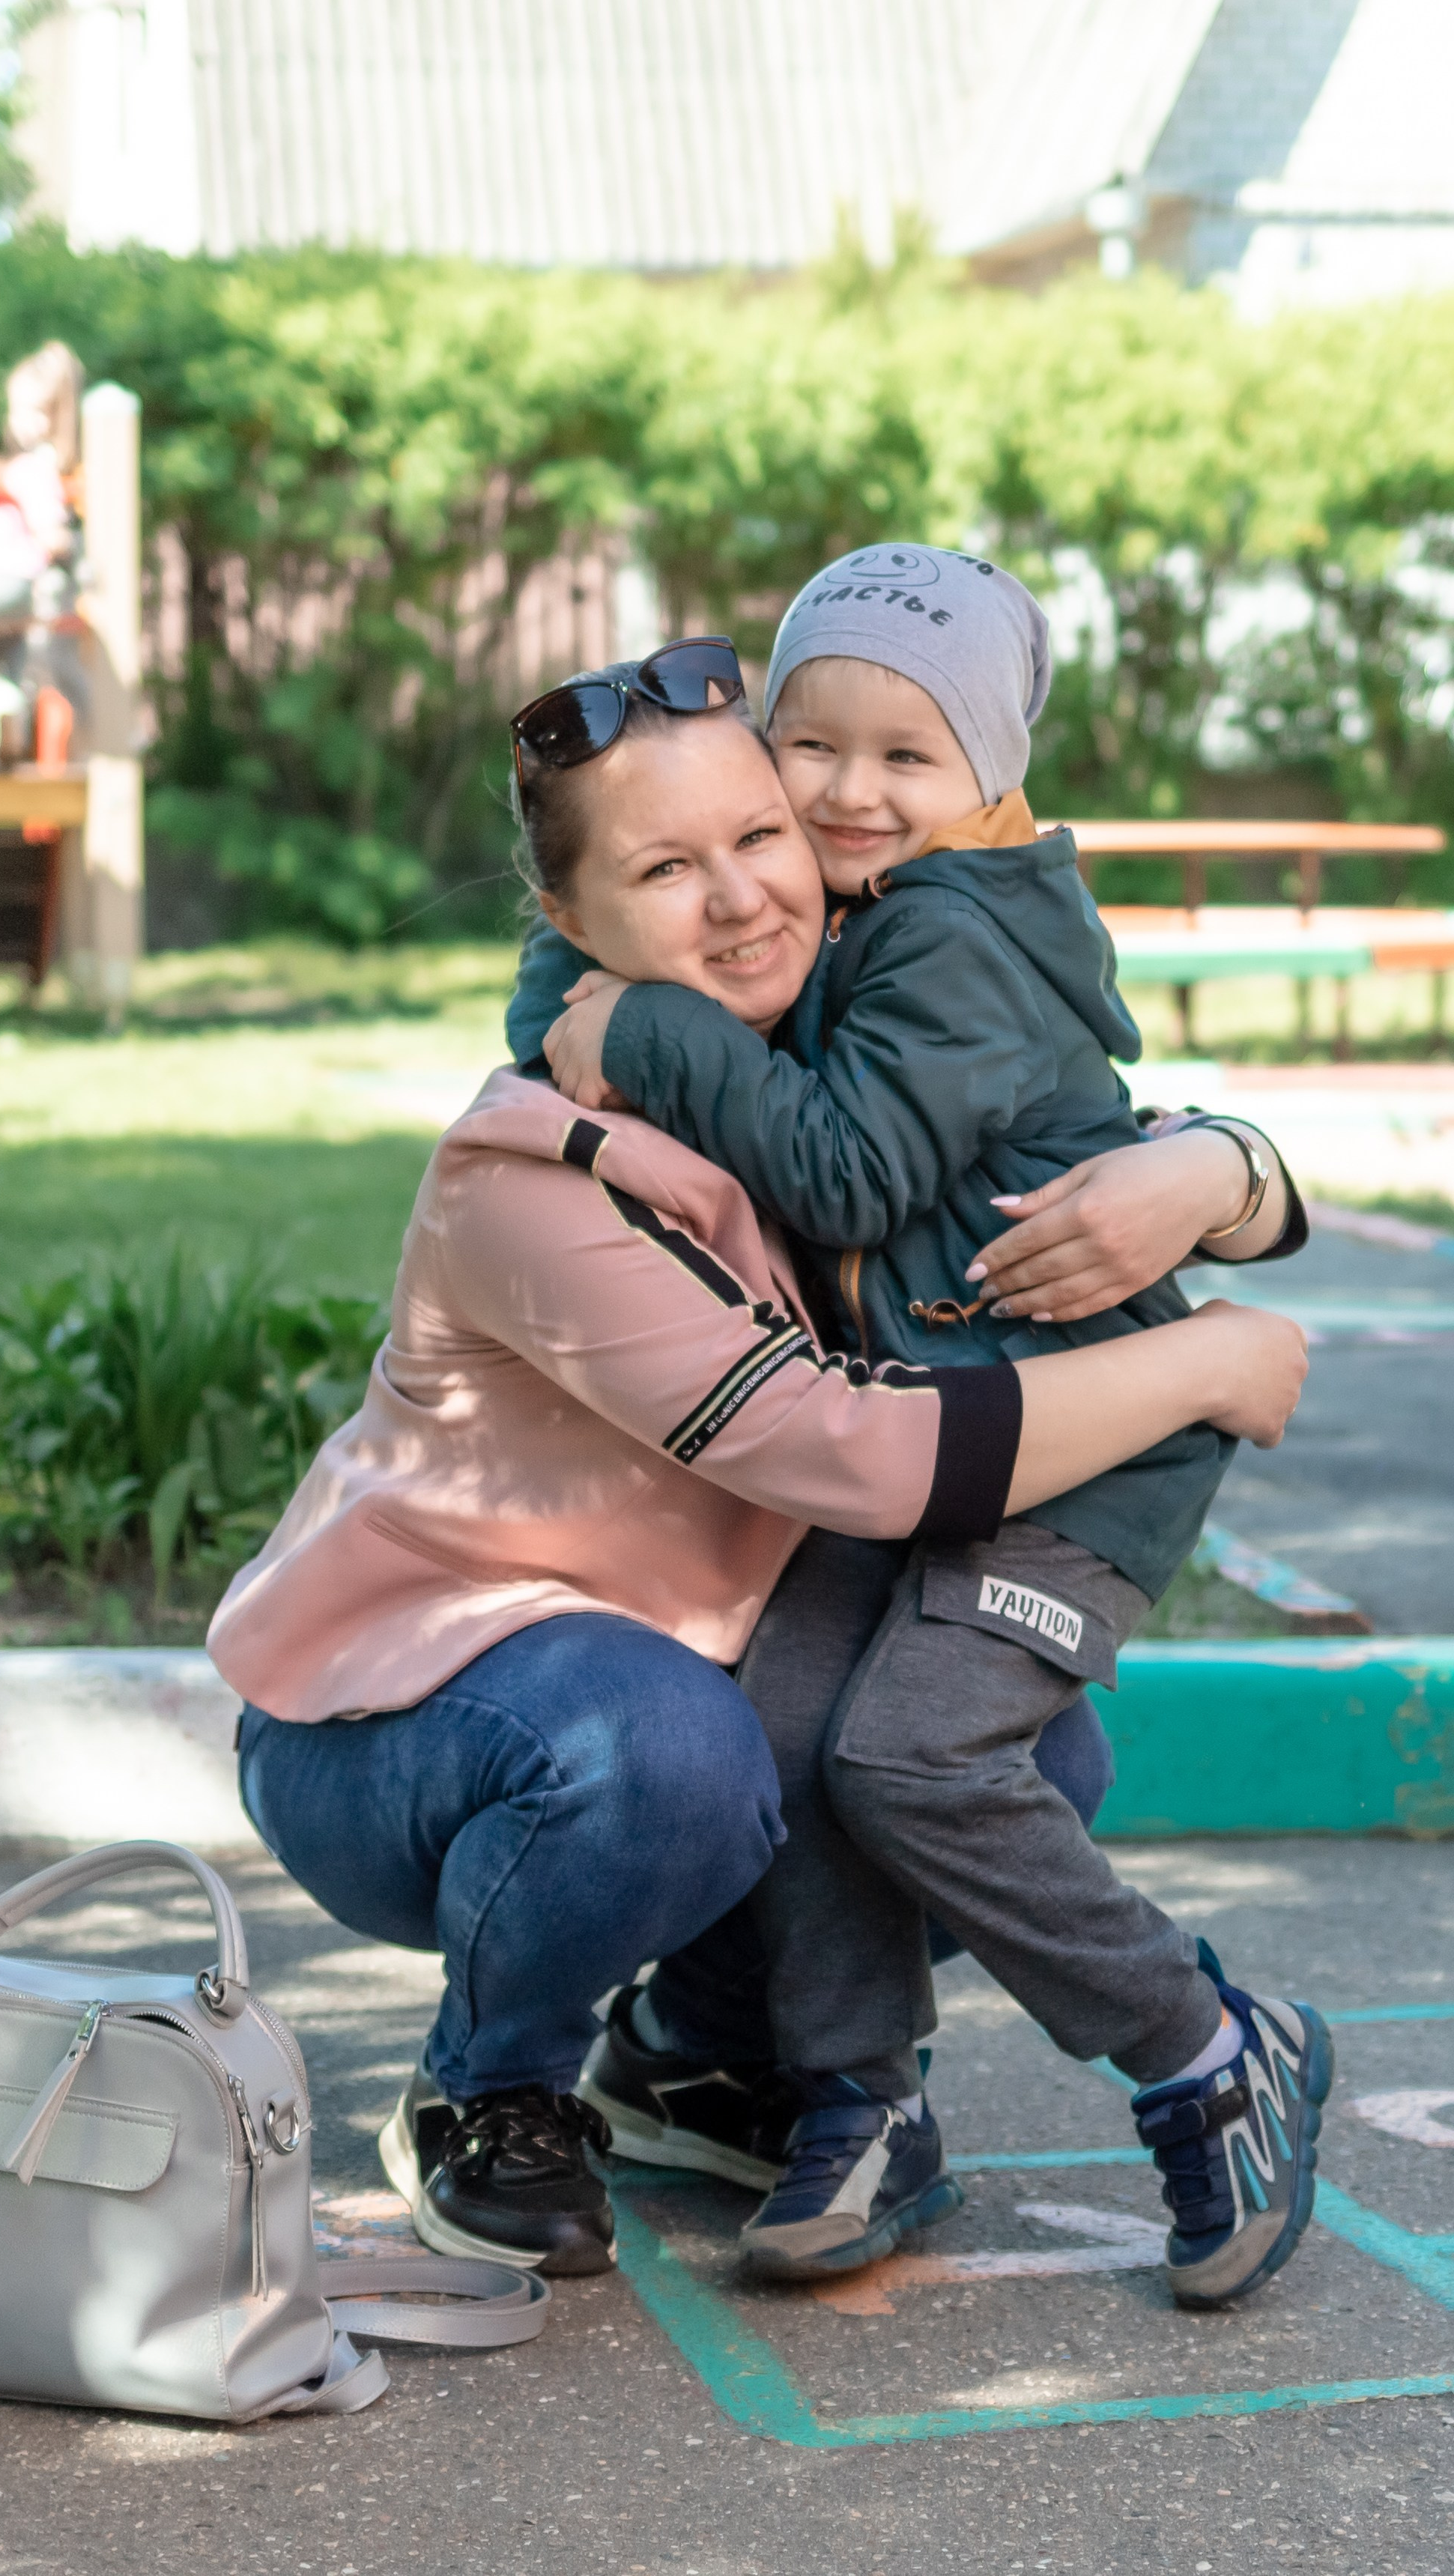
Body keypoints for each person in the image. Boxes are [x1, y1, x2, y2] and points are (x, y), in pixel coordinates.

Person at [208, 643, 1310, 2291]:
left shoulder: (805, 1055)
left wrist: (1227, 1172)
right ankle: (490, 2083)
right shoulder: (543, 1168)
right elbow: (858, 1459)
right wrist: (1207, 1361)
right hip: (416, 1720)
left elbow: (1050, 1108)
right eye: (664, 869)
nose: (737, 900)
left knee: (1022, 1761)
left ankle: (703, 2053)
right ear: (573, 928)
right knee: (670, 1752)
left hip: (684, 1671)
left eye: (760, 838)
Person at [512, 585, 1330, 2307]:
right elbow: (590, 957)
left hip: (1081, 1444)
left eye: (909, 754)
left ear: (995, 774)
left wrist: (639, 1031)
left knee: (911, 1757)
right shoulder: (842, 903)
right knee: (785, 1731)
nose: (851, 791)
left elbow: (851, 1176)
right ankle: (860, 2102)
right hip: (916, 1434)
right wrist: (581, 988)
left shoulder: (956, 936)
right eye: (812, 745)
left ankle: (1206, 2052)